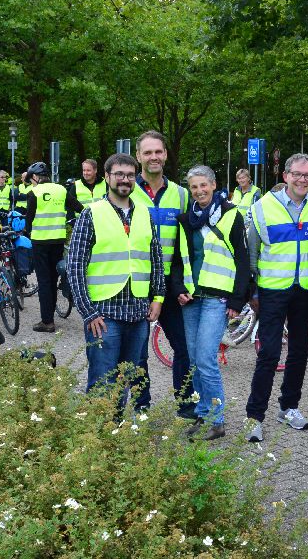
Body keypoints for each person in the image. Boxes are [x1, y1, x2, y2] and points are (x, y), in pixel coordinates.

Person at [67, 153, 164, 404]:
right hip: (103, 314)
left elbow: (156, 259)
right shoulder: (91, 214)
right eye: (119, 174)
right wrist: (88, 311)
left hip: (138, 313)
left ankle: (122, 430)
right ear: (107, 177)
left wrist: (158, 297)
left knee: (130, 376)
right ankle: (101, 435)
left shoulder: (144, 213)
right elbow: (75, 265)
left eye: (130, 175)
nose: (125, 179)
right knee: (102, 381)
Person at [243, 152, 308, 442]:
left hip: (305, 290)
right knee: (269, 353)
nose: (302, 180)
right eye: (297, 174)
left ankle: (289, 407)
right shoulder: (263, 207)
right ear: (286, 175)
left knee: (299, 352)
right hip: (272, 290)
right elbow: (251, 252)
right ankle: (254, 416)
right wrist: (252, 290)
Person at [169, 165, 250, 441]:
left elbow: (242, 260)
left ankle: (217, 420)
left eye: (204, 185)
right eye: (194, 187)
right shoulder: (184, 220)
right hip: (191, 298)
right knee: (193, 359)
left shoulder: (231, 215)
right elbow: (180, 259)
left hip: (218, 297)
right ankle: (203, 413)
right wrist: (178, 288)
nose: (199, 191)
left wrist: (239, 299)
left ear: (214, 185)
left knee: (205, 359)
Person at [131, 131, 193, 416]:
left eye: (158, 152)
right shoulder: (126, 190)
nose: (153, 157)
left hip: (170, 283)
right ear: (138, 157)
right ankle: (141, 405)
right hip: (137, 282)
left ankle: (185, 404)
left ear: (166, 154)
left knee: (184, 346)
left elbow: (188, 242)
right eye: (147, 152)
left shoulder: (181, 194)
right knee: (137, 351)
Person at [23, 161, 82, 333]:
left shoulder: (34, 192)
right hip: (57, 242)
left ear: (35, 177)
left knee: (44, 281)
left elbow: (29, 219)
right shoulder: (61, 190)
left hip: (40, 243)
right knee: (53, 278)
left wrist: (26, 232)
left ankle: (47, 321)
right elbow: (79, 208)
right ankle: (50, 314)